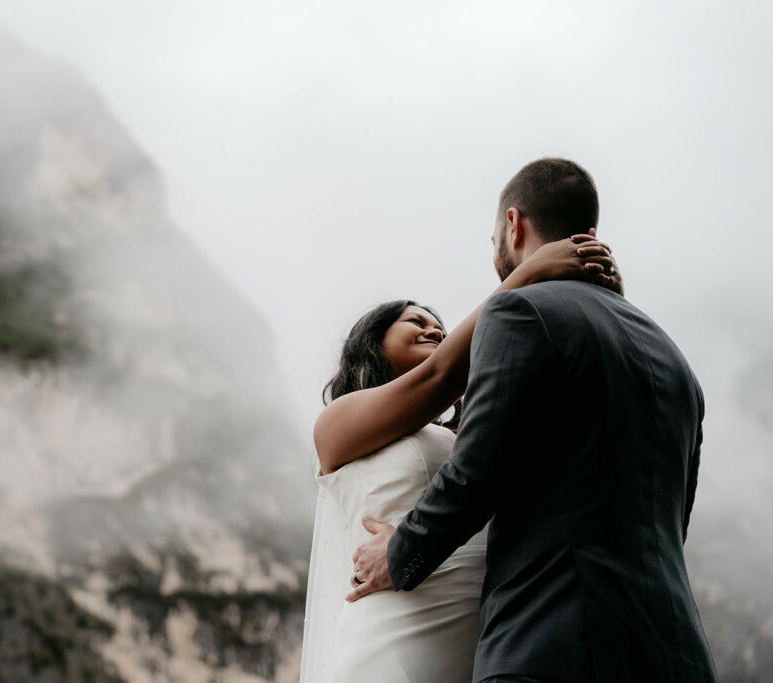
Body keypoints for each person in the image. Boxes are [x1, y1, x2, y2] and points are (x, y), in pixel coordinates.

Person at [349, 158, 718, 682]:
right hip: (678, 657)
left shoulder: (518, 313)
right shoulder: (674, 359)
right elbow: (672, 522)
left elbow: (476, 471)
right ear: (590, 234)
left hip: (554, 647)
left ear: (513, 225)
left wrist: (399, 553)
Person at [300, 227, 621, 681]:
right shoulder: (336, 425)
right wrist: (529, 272)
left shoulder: (465, 433)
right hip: (400, 632)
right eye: (415, 321)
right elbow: (441, 376)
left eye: (440, 327)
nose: (433, 329)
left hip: (489, 635)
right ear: (372, 340)